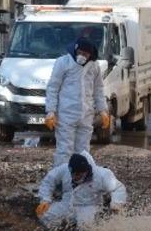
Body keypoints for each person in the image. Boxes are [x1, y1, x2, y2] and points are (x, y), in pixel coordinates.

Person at [45, 36, 110, 168]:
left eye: (85, 54)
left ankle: (80, 180)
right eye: (79, 52)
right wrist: (50, 111)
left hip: (86, 115)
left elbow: (98, 89)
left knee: (83, 151)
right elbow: (53, 87)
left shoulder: (94, 66)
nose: (81, 56)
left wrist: (103, 110)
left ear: (90, 55)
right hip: (65, 115)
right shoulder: (63, 63)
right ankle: (63, 180)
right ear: (75, 50)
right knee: (64, 151)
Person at [35, 151, 127, 231]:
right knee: (44, 215)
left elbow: (118, 188)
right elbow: (49, 180)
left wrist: (116, 204)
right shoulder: (64, 169)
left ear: (86, 171)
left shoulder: (101, 174)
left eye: (79, 174)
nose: (76, 177)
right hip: (68, 203)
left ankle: (93, 223)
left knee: (86, 227)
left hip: (89, 205)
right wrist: (45, 199)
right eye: (74, 174)